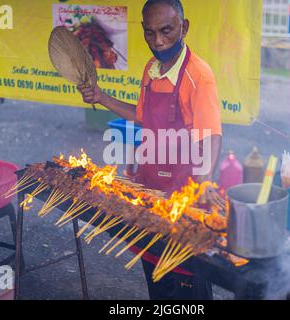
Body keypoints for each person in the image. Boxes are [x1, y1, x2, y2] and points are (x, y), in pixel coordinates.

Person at [78, 0, 224, 300]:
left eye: (166, 31)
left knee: (187, 282)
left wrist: (204, 182)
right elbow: (142, 116)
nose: (157, 41)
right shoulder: (151, 69)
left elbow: (211, 135)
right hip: (150, 191)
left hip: (183, 195)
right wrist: (101, 96)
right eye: (149, 33)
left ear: (184, 27)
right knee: (157, 277)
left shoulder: (200, 75)